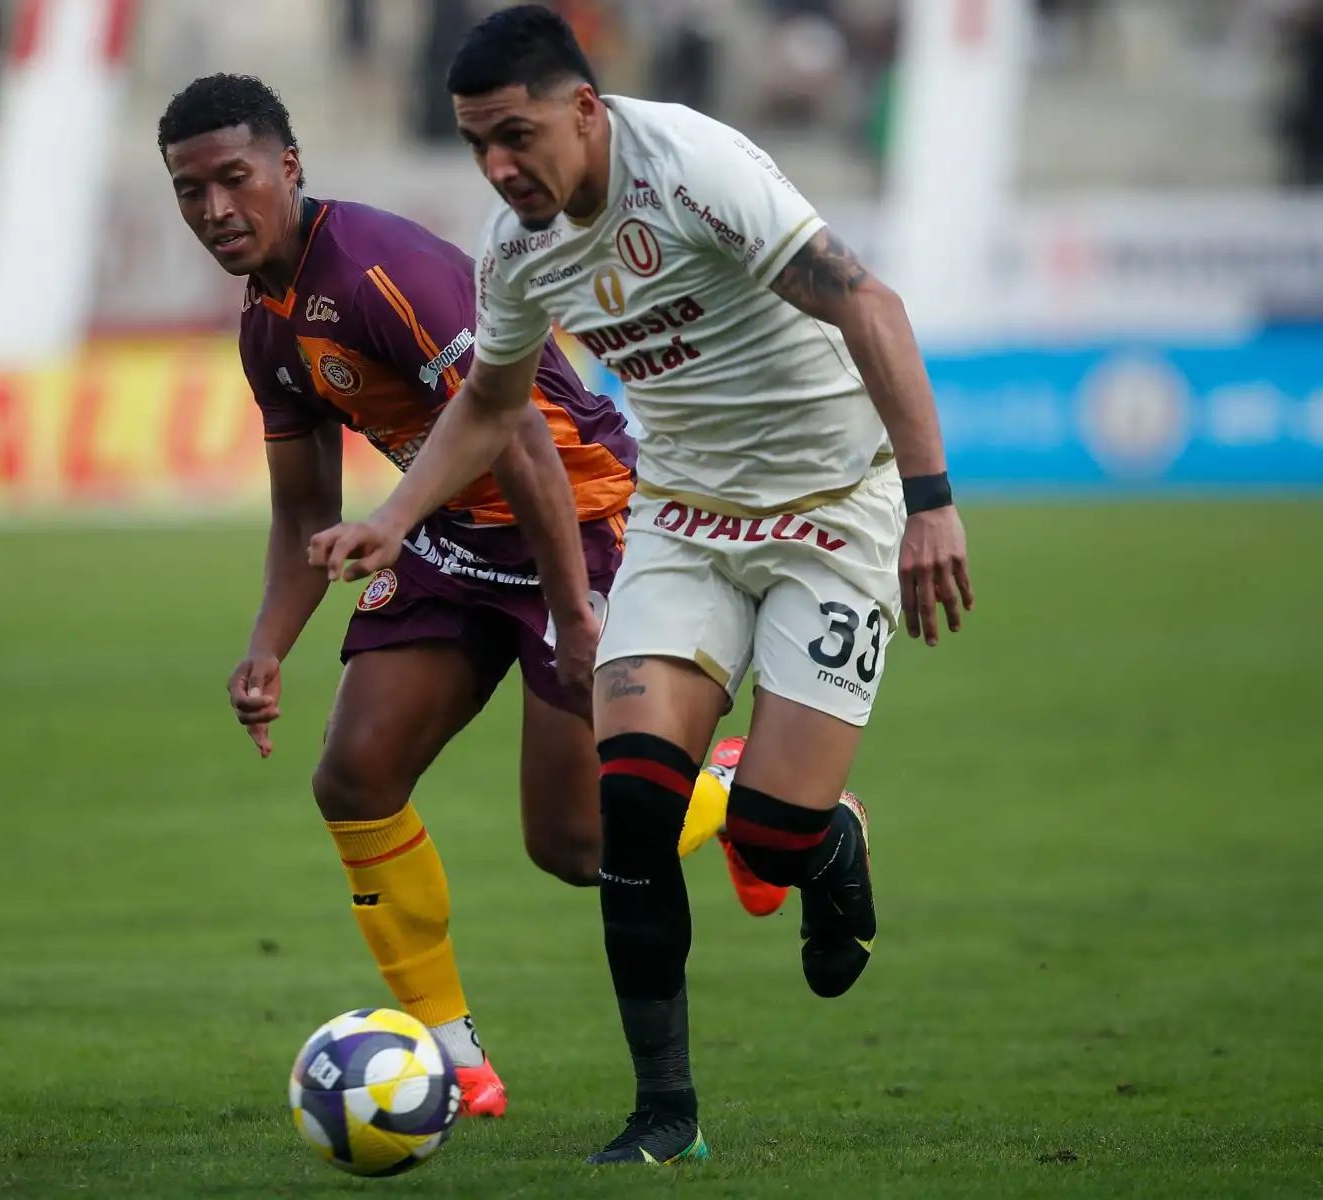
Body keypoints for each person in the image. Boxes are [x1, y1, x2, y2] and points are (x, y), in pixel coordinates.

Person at [309, 5, 974, 1164]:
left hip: (831, 512)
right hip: (679, 520)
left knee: (767, 830)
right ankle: (665, 1117)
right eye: (477, 144)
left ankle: (824, 849)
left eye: (516, 135)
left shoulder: (693, 168)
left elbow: (868, 301)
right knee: (629, 807)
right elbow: (494, 404)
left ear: (585, 106)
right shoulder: (516, 248)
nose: (500, 167)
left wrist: (929, 503)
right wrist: (394, 516)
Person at [156, 72, 784, 1119]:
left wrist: (579, 611)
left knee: (575, 845)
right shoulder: (267, 325)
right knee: (353, 775)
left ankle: (748, 796)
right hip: (452, 536)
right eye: (190, 191)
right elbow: (301, 501)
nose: (216, 210)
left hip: (580, 525)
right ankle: (449, 1060)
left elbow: (523, 436)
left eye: (235, 179)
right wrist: (267, 645)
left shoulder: (378, 271)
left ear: (289, 168)